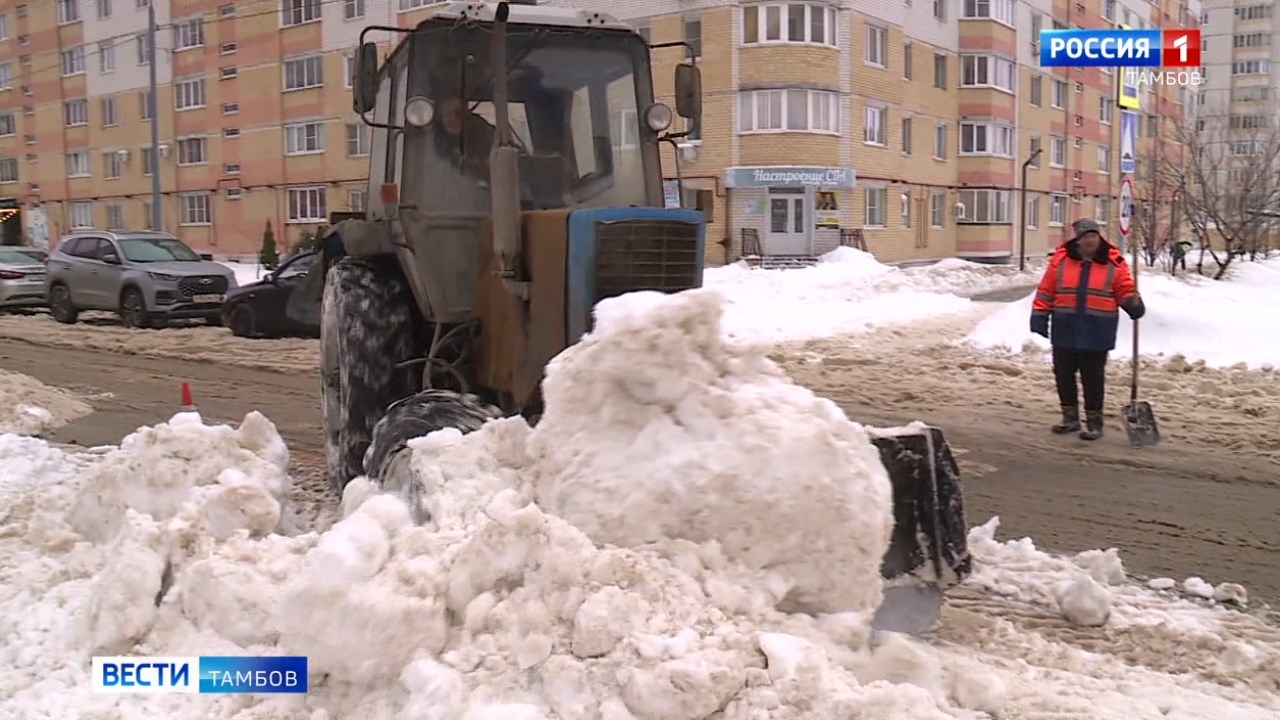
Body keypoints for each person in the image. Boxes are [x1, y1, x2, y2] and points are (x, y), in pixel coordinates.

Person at [1030, 219, 1146, 440]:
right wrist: (1040, 314)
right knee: (1063, 375)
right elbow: (1046, 290)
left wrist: (1132, 302)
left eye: (1094, 236)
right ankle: (1070, 418)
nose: (1091, 240)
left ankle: (1094, 423)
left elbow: (1125, 288)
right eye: (1086, 237)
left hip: (1097, 330)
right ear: (1078, 240)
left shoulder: (1114, 262)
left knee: (1092, 378)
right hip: (1066, 327)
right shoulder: (1061, 261)